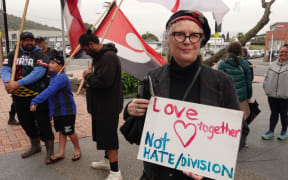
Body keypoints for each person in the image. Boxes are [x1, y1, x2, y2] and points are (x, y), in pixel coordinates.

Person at [124, 10, 249, 180]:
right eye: (180, 35)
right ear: (168, 40)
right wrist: (131, 110)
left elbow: (239, 132)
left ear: (201, 41)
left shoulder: (221, 82)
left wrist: (210, 166)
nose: (187, 41)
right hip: (157, 175)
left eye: (194, 35)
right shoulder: (153, 79)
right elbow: (138, 135)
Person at [1, 32, 54, 164]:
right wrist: (8, 83)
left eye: (31, 40)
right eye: (25, 40)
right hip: (19, 97)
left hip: (37, 97)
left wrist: (18, 83)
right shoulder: (13, 54)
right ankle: (35, 145)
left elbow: (39, 72)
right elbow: (5, 69)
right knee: (25, 122)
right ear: (20, 42)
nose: (29, 42)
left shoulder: (40, 54)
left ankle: (50, 149)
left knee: (43, 123)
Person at [79, 30, 123, 180]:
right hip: (100, 106)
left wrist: (87, 76)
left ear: (91, 44)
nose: (86, 52)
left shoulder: (108, 57)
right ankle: (106, 161)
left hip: (107, 107)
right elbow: (99, 78)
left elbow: (104, 82)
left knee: (109, 139)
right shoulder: (100, 57)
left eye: (85, 49)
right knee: (104, 136)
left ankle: (116, 172)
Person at [30, 55, 81, 163]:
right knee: (61, 131)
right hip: (57, 111)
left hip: (67, 110)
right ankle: (61, 153)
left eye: (53, 63)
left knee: (69, 131)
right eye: (50, 62)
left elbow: (50, 91)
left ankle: (77, 149)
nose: (49, 65)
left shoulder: (61, 78)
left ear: (61, 66)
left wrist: (35, 101)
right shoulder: (52, 77)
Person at [262, 44, 288, 140]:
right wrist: (266, 88)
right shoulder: (272, 65)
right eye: (282, 52)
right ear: (279, 53)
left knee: (284, 115)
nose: (283, 53)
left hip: (285, 97)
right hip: (272, 95)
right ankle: (271, 131)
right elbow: (266, 78)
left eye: (286, 52)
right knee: (274, 114)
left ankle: (284, 131)